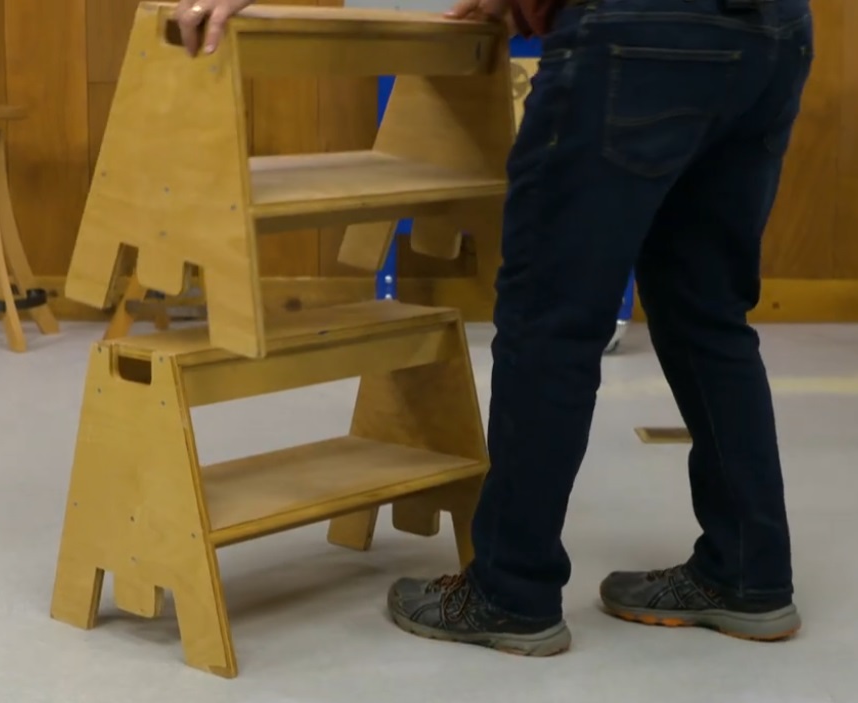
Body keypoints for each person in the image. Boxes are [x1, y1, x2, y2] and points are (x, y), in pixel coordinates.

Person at [175, 0, 811, 656]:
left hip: (636, 34)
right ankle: (748, 572)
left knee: (552, 315)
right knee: (708, 314)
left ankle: (511, 591)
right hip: (773, 34)